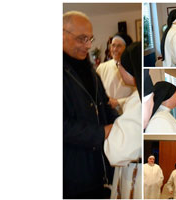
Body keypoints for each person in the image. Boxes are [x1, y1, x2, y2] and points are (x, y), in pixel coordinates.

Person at [63, 11, 119, 198]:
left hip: (100, 170)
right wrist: (102, 132)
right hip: (73, 176)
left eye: (90, 38)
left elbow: (104, 107)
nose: (88, 45)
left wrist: (122, 124)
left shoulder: (91, 71)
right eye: (81, 39)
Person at [103, 42, 142, 199]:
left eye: (120, 64)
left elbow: (117, 152)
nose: (118, 67)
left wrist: (107, 131)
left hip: (134, 173)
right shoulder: (138, 96)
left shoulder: (137, 100)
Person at [96, 33, 135, 113]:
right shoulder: (102, 67)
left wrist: (118, 102)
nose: (115, 49)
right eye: (113, 45)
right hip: (106, 113)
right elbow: (96, 91)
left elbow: (137, 96)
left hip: (126, 112)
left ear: (126, 48)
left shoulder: (134, 69)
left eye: (119, 46)